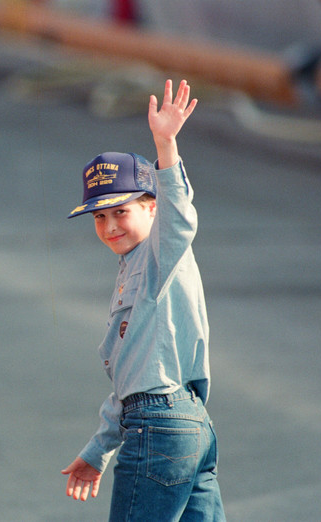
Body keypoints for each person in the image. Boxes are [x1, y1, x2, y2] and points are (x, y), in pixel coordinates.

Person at [61, 79, 225, 521]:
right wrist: (99, 449)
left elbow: (179, 217)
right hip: (185, 425)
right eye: (100, 216)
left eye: (121, 211)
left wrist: (166, 144)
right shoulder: (131, 267)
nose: (111, 225)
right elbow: (131, 374)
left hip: (164, 426)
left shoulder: (160, 254)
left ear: (151, 207)